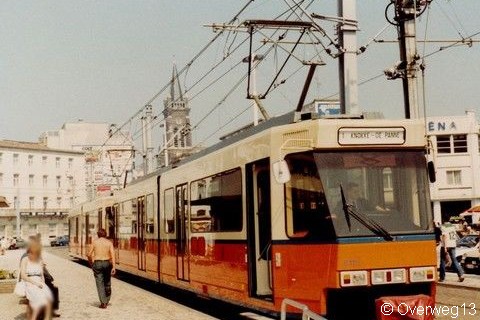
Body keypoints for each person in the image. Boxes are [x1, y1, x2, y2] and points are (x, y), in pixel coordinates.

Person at [21, 236, 60, 318]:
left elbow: (42, 272)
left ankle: (49, 311)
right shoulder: (25, 257)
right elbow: (23, 274)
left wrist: (43, 282)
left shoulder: (38, 257)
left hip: (42, 280)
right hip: (31, 282)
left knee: (52, 291)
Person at [88, 228, 116, 309]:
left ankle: (103, 303)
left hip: (97, 263)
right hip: (107, 263)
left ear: (98, 235)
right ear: (105, 234)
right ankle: (107, 299)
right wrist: (114, 267)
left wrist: (91, 263)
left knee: (99, 283)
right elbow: (113, 255)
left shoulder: (95, 242)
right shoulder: (109, 243)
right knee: (107, 281)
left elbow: (89, 254)